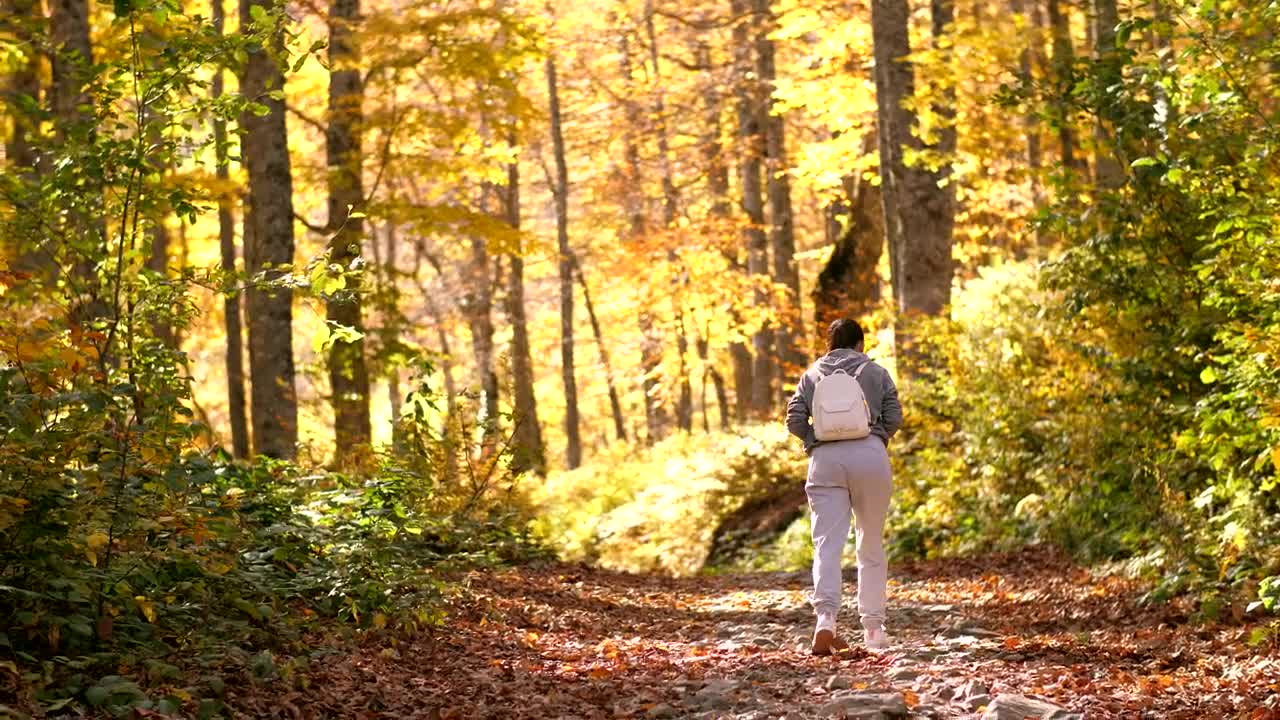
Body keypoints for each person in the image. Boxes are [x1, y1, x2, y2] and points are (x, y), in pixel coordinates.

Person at [785, 318, 902, 655]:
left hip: (825, 461)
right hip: (869, 456)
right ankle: (874, 629)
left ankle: (826, 619)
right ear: (860, 344)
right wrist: (875, 437)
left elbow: (794, 419)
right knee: (870, 542)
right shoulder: (876, 372)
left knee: (826, 544)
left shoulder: (811, 375)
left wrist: (816, 440)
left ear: (830, 344)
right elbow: (894, 417)